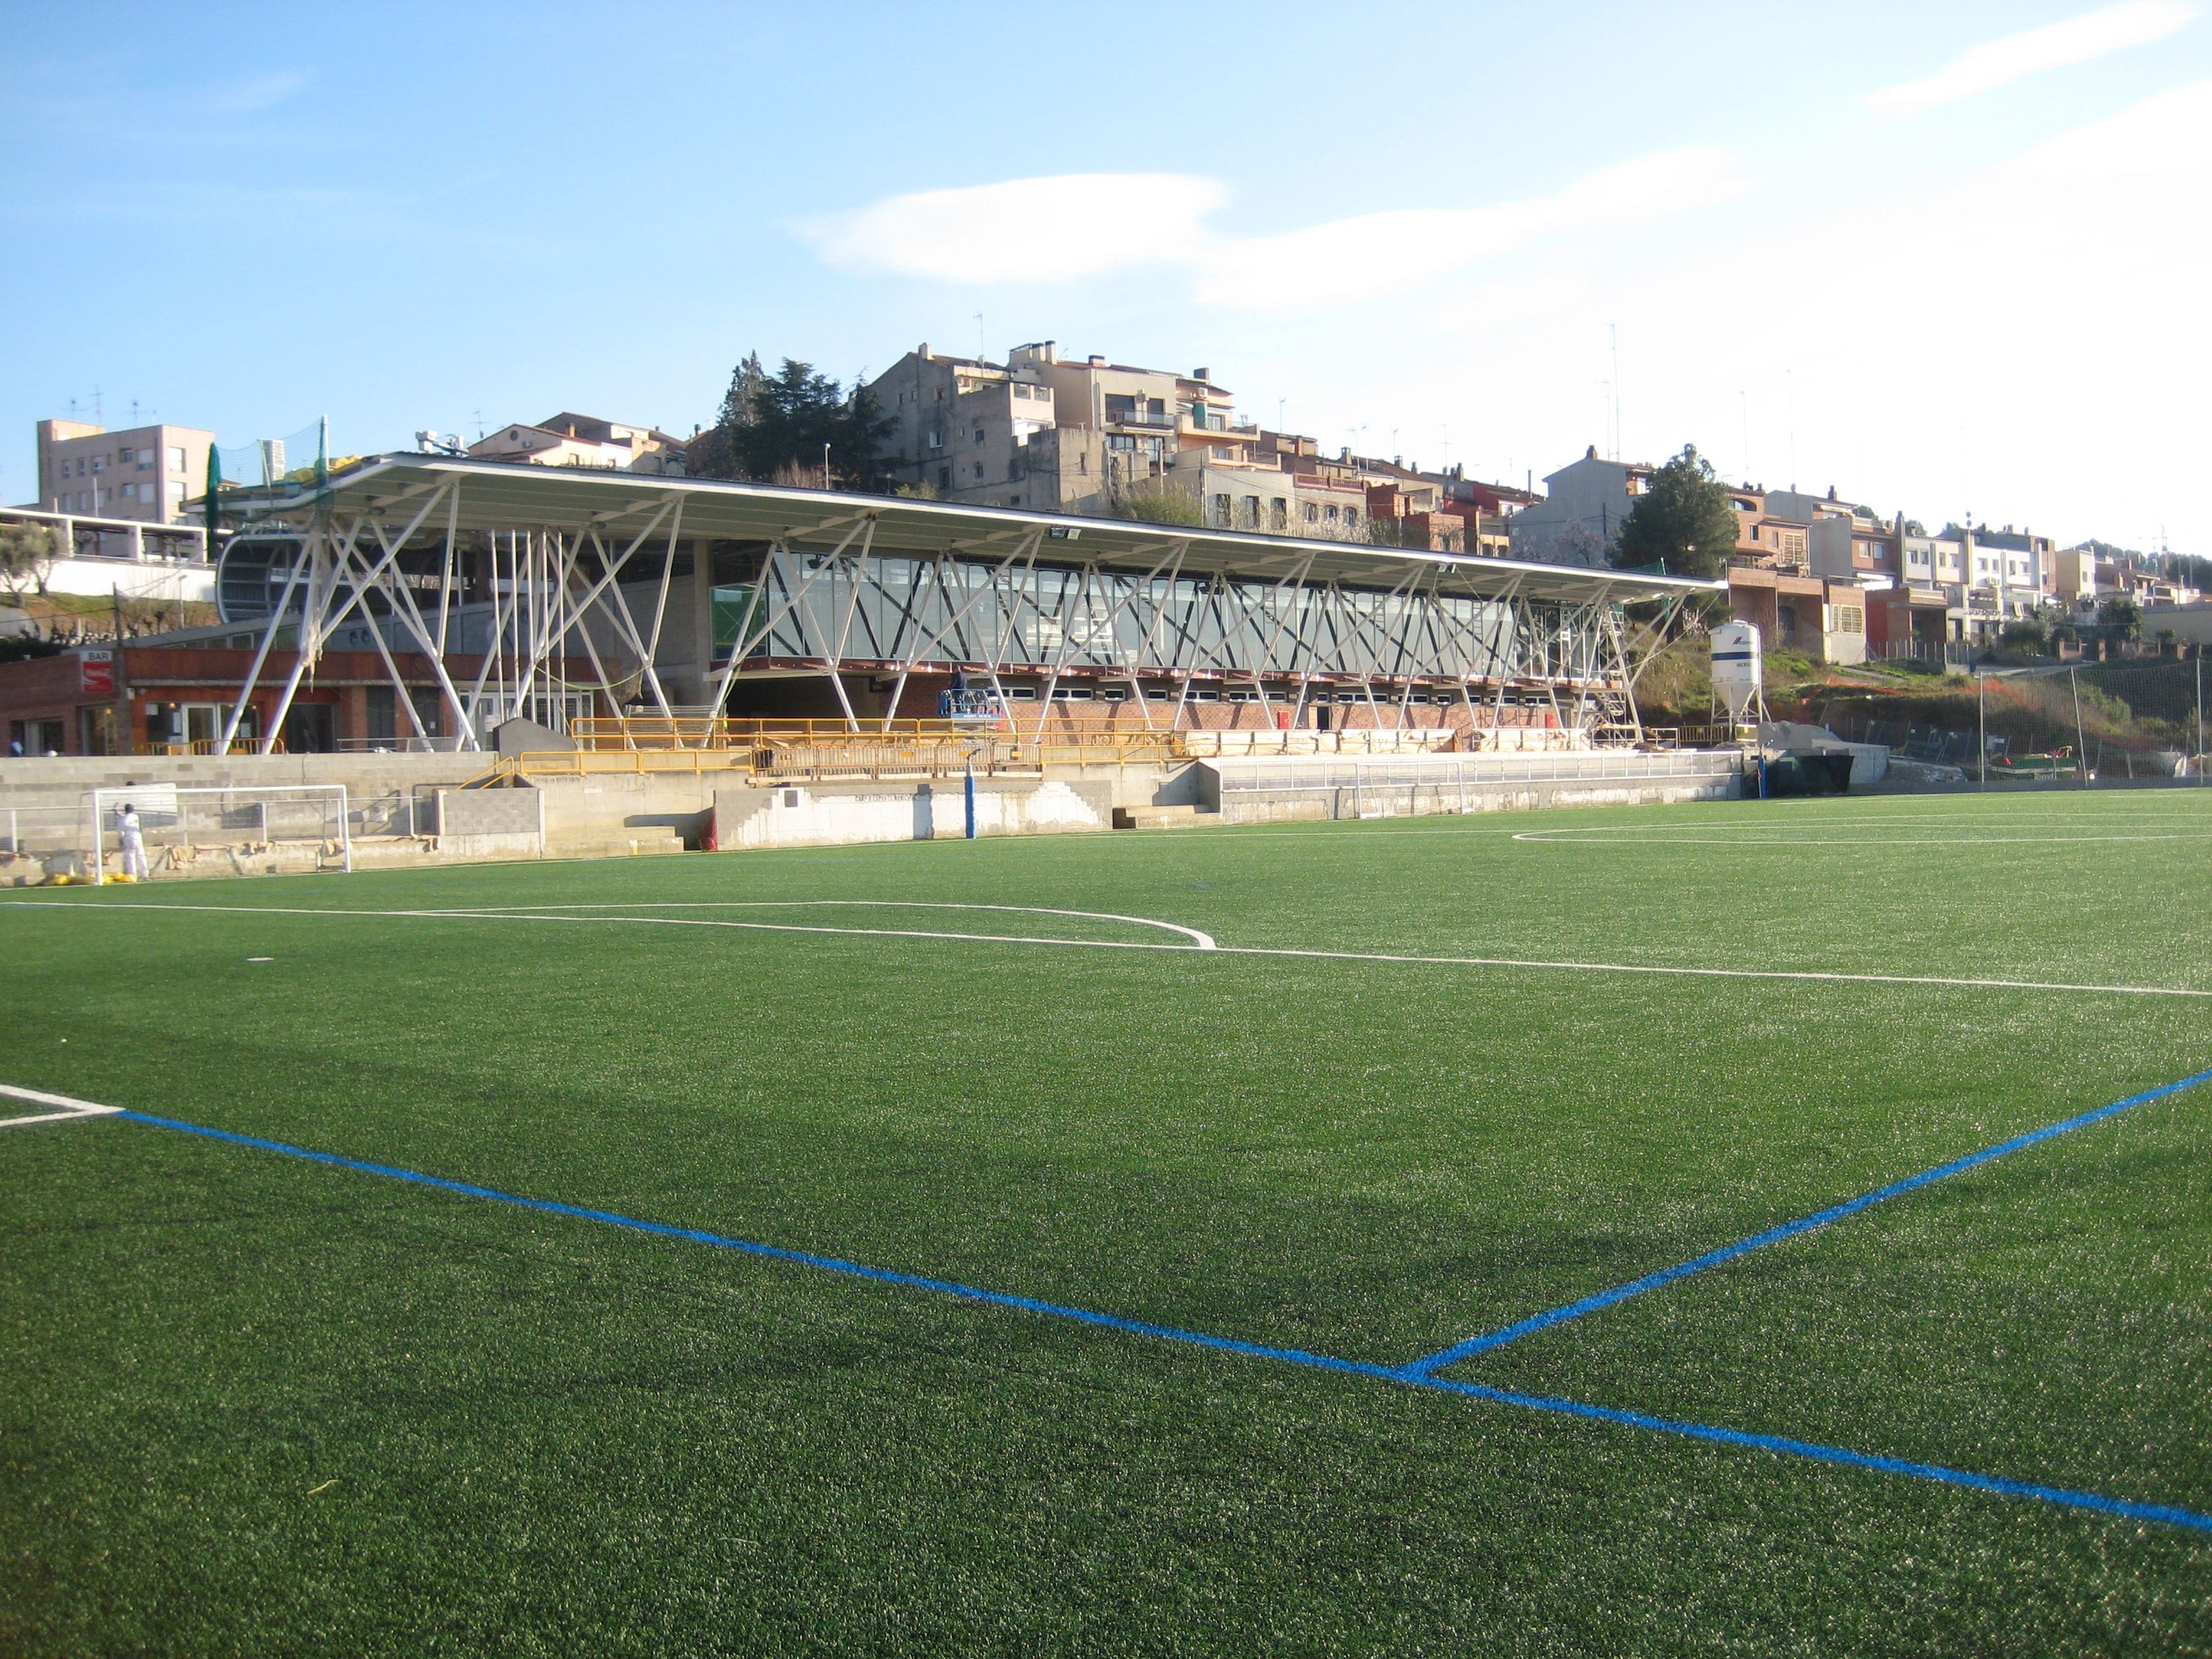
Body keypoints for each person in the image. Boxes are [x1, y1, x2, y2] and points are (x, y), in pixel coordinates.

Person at [117, 801, 148, 881]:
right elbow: (126, 817)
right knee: (141, 856)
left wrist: (121, 840)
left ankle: (133, 876)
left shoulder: (123, 819)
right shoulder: (136, 816)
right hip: (138, 838)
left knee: (131, 857)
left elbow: (121, 831)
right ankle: (145, 874)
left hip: (129, 839)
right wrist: (119, 814)